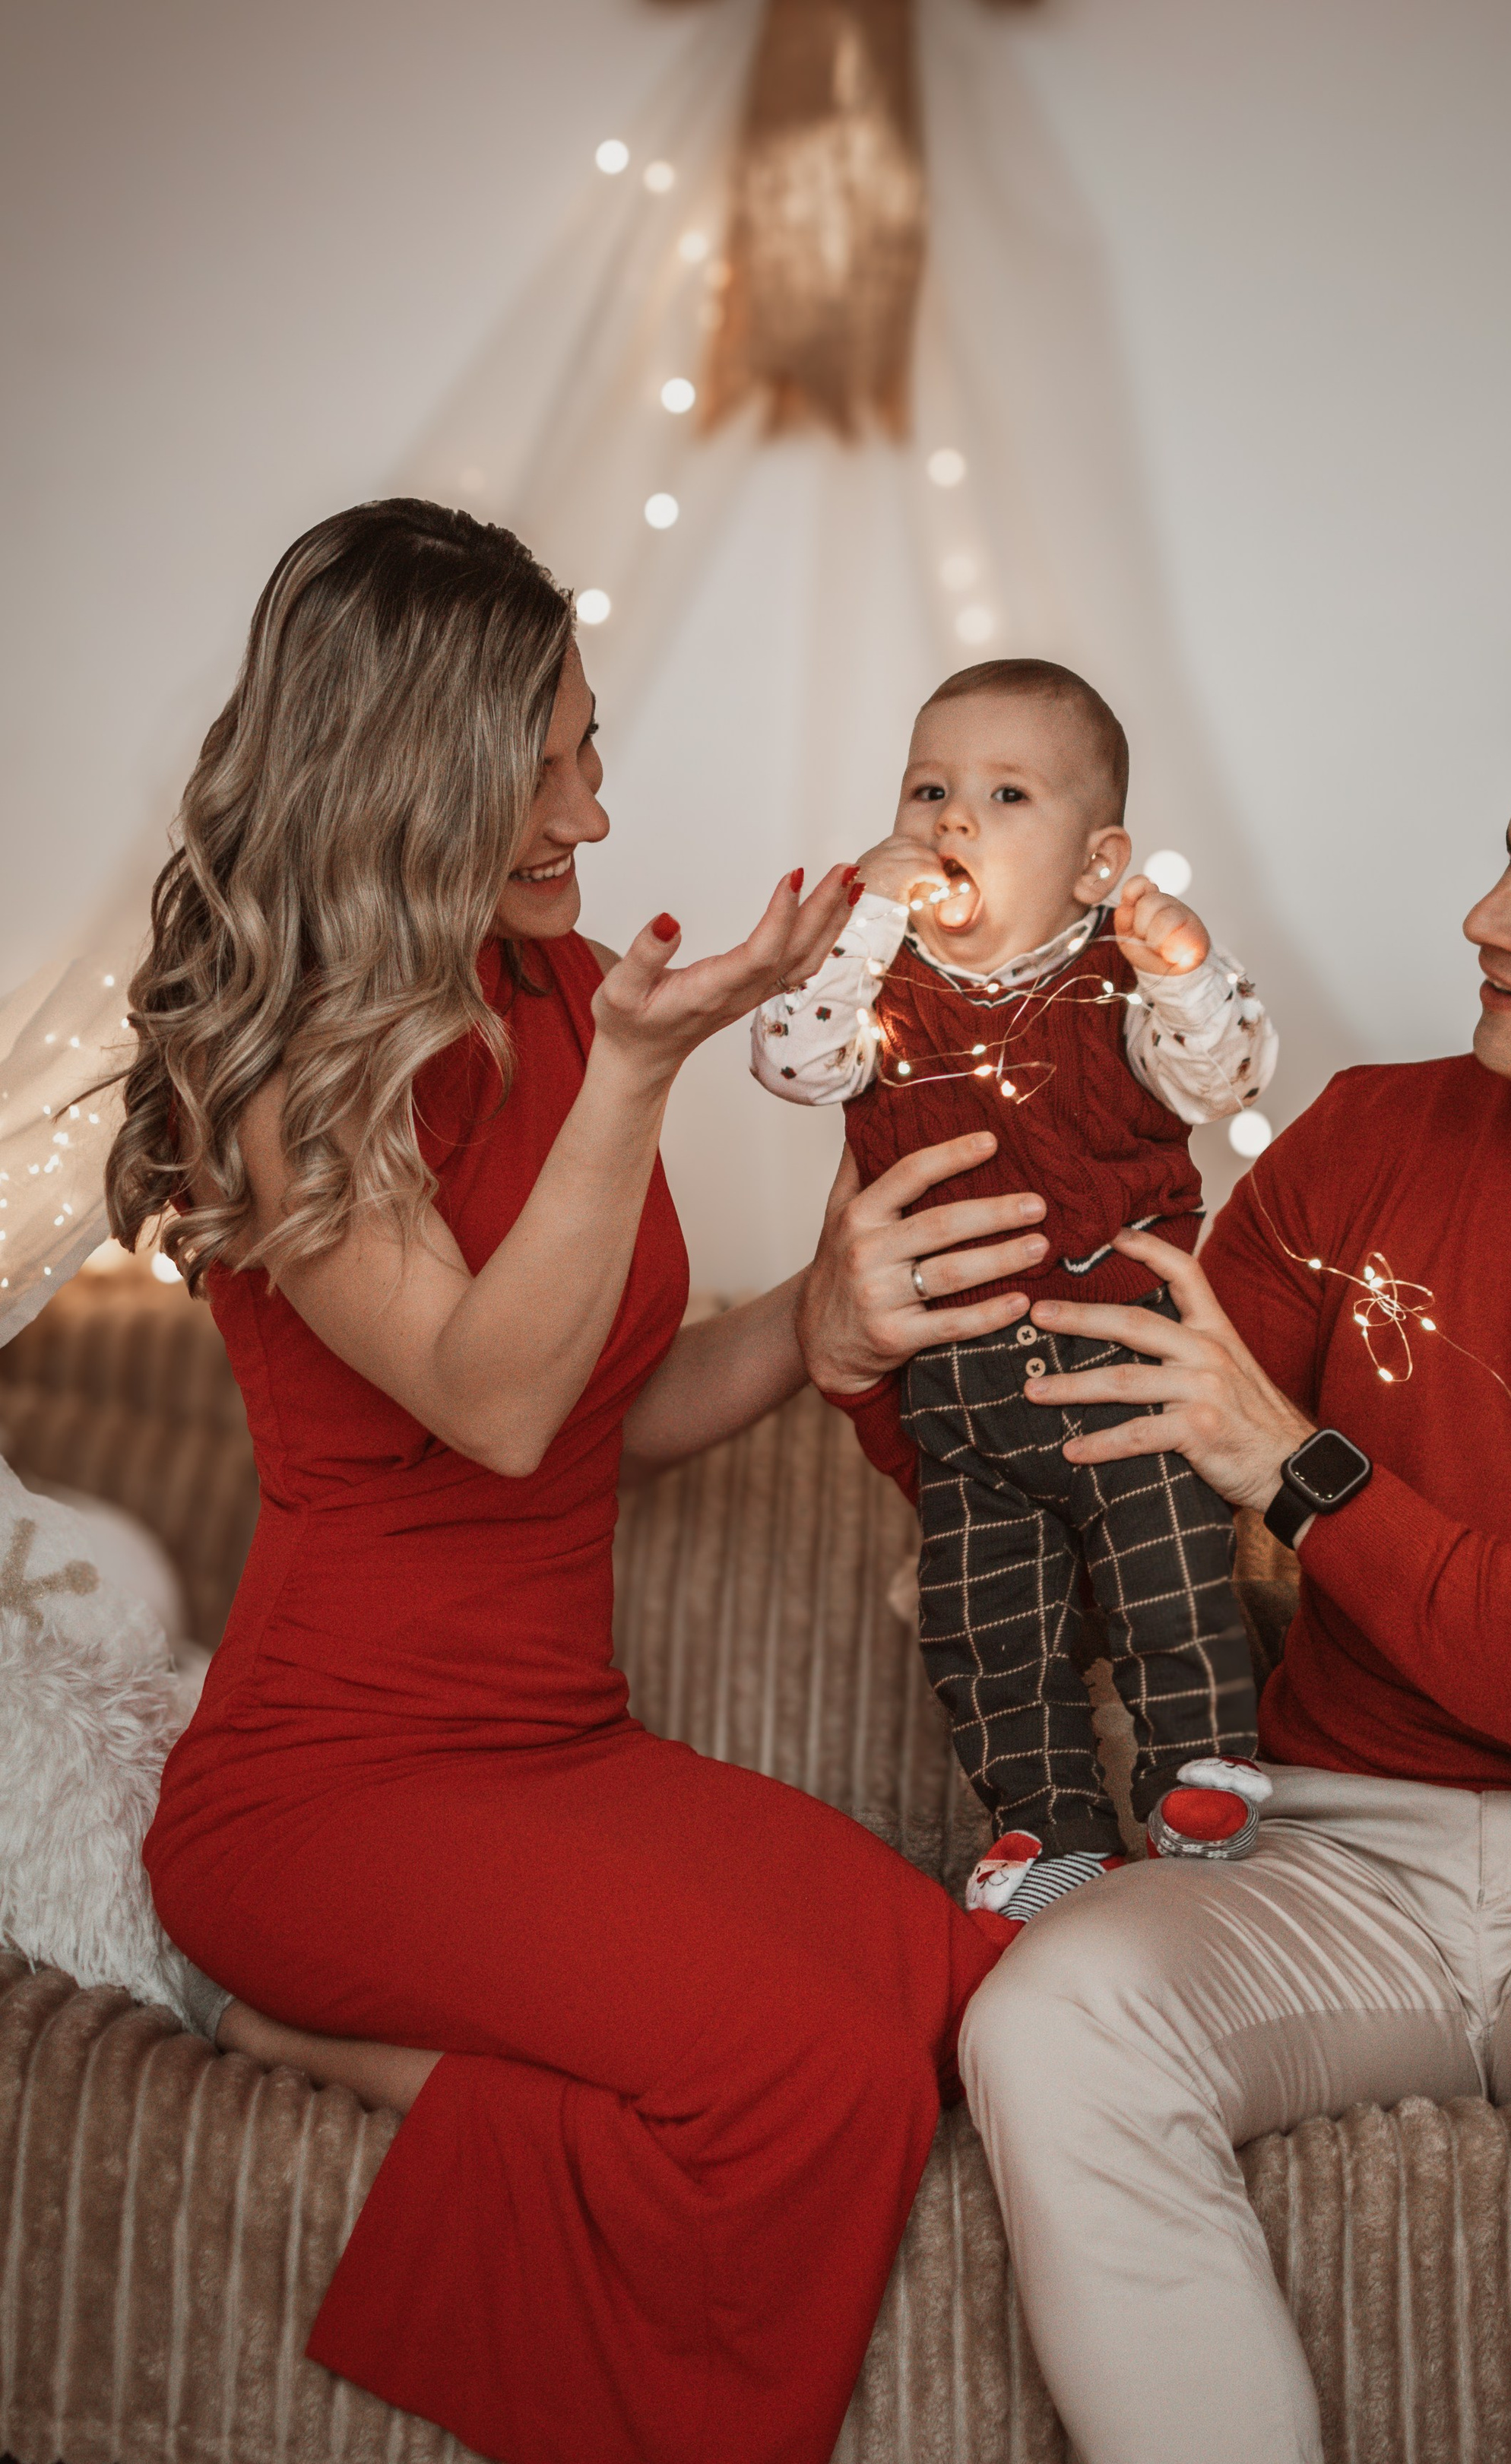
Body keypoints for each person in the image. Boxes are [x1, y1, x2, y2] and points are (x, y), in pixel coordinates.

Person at [803, 667, 1511, 2464]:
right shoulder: (1370, 1138)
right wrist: (868, 1354)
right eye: (1509, 864)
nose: (1481, 921)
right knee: (1050, 2019)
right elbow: (1099, 1460)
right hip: (1332, 1846)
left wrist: (1310, 1478)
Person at [111, 500, 1044, 2464]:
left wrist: (815, 1317)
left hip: (552, 1744)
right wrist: (635, 1082)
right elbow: (494, 1405)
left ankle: (343, 2049)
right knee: (808, 2079)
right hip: (329, 1787)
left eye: (590, 749)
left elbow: (603, 1406)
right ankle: (305, 2025)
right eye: (540, 771)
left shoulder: (563, 987)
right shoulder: (285, 1083)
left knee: (963, 1997)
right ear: (406, 774)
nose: (589, 817)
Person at [752, 658, 1279, 1917]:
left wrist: (1186, 970)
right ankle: (1048, 1826)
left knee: (1171, 1573)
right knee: (987, 1627)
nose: (953, 820)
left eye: (1004, 794)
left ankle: (1200, 1768)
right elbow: (790, 1059)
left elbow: (1226, 1077)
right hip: (960, 1393)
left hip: (1123, 1358)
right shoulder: (873, 987)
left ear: (1098, 865)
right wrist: (866, 923)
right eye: (929, 787)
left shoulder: (1122, 977)